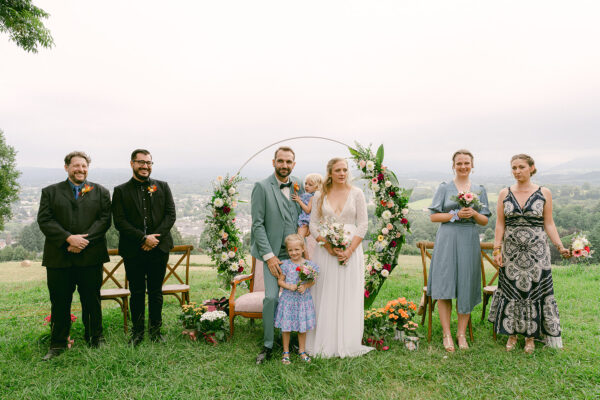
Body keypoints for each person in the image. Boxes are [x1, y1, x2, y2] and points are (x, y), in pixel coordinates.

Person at [488, 154, 568, 353]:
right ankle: (512, 334)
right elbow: (500, 223)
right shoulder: (503, 193)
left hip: (537, 252)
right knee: (512, 289)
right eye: (513, 167)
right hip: (512, 252)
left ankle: (531, 337)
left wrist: (560, 246)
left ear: (532, 168)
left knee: (533, 290)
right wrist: (497, 249)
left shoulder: (544, 192)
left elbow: (549, 223)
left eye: (521, 167)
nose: (517, 171)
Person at [37, 151, 111, 360]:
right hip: (59, 257)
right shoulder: (50, 192)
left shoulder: (101, 192)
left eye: (84, 166)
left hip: (91, 256)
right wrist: (68, 239)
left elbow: (104, 221)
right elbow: (45, 220)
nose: (80, 170)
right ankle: (57, 344)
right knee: (59, 301)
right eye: (76, 166)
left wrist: (82, 242)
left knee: (91, 300)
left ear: (88, 168)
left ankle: (95, 339)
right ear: (66, 167)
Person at [306, 157, 373, 358]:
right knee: (325, 292)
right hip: (326, 253)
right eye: (338, 170)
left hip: (351, 251)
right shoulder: (320, 195)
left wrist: (349, 250)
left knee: (348, 293)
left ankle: (348, 341)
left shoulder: (357, 194)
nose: (342, 173)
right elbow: (313, 225)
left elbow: (363, 225)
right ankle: (324, 342)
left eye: (345, 170)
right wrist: (328, 246)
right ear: (330, 173)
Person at [427, 149, 490, 352]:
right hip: (447, 237)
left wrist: (472, 213)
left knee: (466, 284)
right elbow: (434, 216)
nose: (463, 166)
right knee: (445, 284)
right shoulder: (444, 188)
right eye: (459, 163)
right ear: (453, 165)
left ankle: (461, 334)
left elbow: (485, 220)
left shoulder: (480, 189)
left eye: (467, 163)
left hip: (469, 239)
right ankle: (447, 334)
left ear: (473, 165)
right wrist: (455, 214)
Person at [112, 149, 176, 345]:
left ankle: (156, 332)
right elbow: (120, 221)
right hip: (134, 250)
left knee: (156, 292)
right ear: (132, 163)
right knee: (137, 292)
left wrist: (154, 239)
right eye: (141, 162)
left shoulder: (162, 187)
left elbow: (170, 215)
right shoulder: (121, 191)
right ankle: (137, 333)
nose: (145, 166)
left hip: (159, 248)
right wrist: (143, 238)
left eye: (148, 163)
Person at [251, 146, 304, 364]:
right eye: (280, 161)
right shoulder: (261, 187)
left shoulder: (299, 184)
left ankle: (295, 341)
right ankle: (267, 345)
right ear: (273, 162)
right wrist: (270, 256)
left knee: (299, 295)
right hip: (272, 254)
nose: (284, 165)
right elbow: (257, 225)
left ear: (293, 164)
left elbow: (303, 217)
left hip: (295, 254)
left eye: (288, 162)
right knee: (272, 297)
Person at [274, 234, 319, 364]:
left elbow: (313, 280)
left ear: (303, 249)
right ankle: (286, 351)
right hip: (288, 300)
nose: (294, 253)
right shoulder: (286, 265)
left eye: (297, 249)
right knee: (286, 326)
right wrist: (288, 286)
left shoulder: (309, 265)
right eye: (290, 250)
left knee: (302, 326)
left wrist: (305, 286)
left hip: (303, 301)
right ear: (287, 250)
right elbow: (280, 281)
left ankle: (302, 350)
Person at [291, 173, 323, 259]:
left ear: (317, 187)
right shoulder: (310, 196)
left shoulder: (312, 197)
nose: (306, 186)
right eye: (306, 183)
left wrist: (298, 200)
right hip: (306, 220)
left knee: (300, 240)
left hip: (305, 220)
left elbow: (308, 210)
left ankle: (306, 258)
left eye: (310, 185)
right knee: (301, 240)